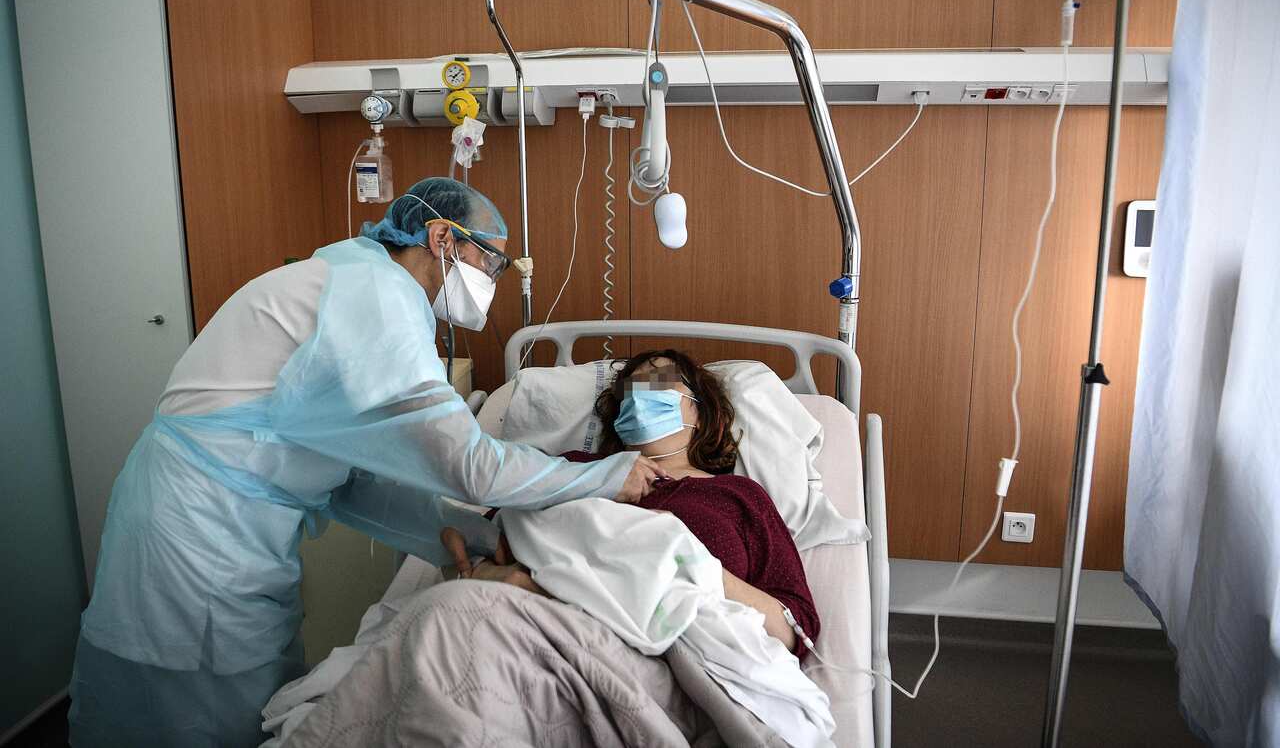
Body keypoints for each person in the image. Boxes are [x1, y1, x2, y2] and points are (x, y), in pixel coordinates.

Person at [67, 178, 667, 748]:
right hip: (196, 534)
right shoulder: (377, 298)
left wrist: (472, 536)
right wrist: (605, 474)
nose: (494, 280)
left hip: (223, 523)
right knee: (175, 711)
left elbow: (347, 485)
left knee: (237, 708)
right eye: (492, 262)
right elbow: (470, 465)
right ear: (441, 239)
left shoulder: (360, 280)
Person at [445, 349, 820, 658]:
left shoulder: (738, 496)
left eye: (659, 381)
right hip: (538, 632)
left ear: (701, 412)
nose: (640, 394)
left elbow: (797, 630)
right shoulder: (574, 468)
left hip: (677, 655)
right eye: (630, 390)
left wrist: (694, 571)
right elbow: (488, 538)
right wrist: (488, 574)